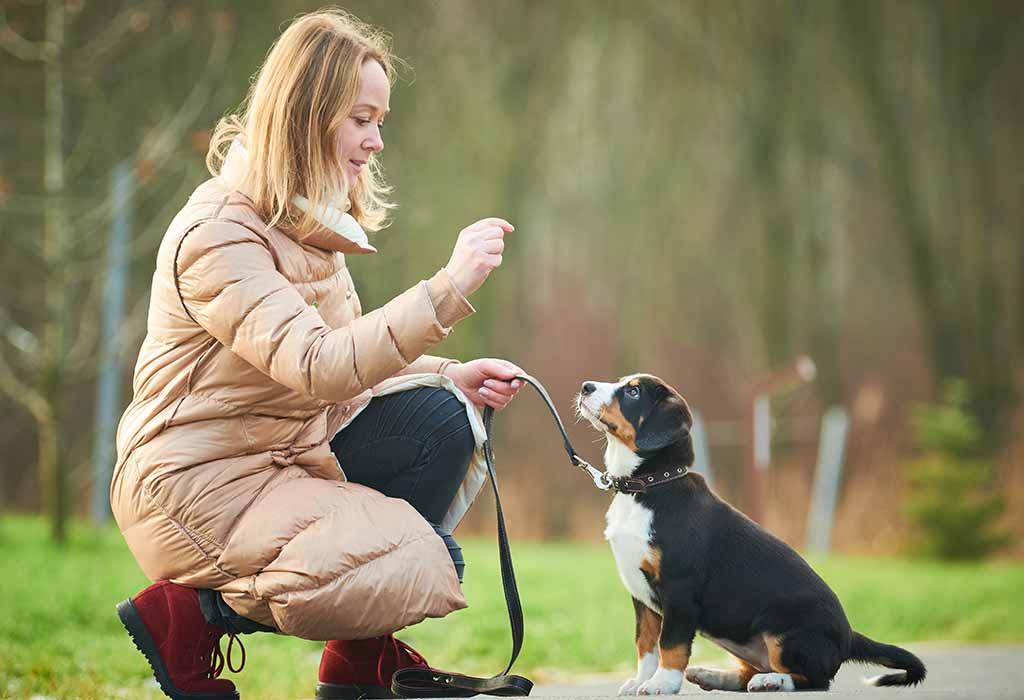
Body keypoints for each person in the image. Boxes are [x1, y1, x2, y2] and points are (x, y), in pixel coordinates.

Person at [110, 9, 524, 700]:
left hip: (287, 457)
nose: (376, 140)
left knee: (445, 418)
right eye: (361, 119)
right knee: (422, 561)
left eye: (380, 120)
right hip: (195, 486)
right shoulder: (219, 235)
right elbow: (318, 364)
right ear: (305, 114)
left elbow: (346, 374)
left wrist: (450, 375)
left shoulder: (310, 229)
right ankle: (187, 616)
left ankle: (358, 661)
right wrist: (447, 289)